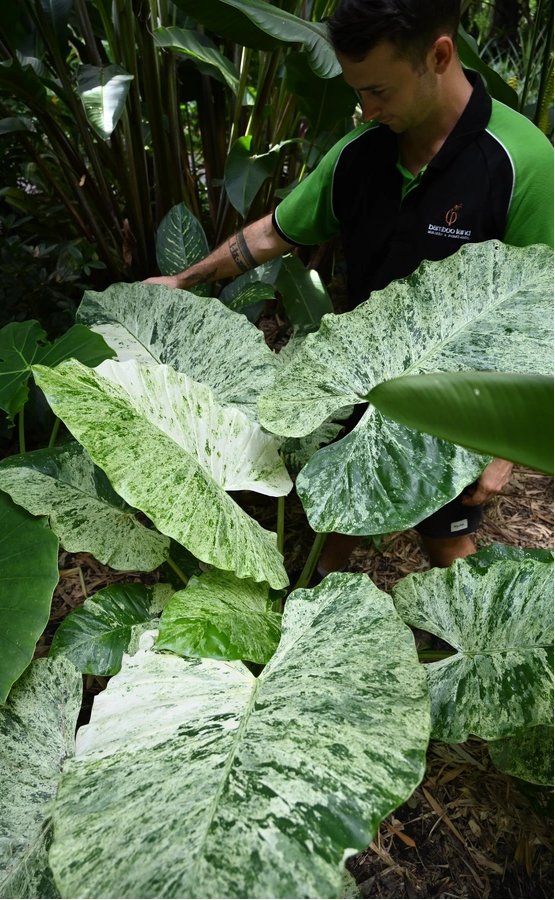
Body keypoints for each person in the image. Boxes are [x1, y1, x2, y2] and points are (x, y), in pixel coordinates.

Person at [143, 0, 554, 571]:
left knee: (446, 542)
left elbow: (544, 309)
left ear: (439, 56)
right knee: (332, 524)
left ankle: (472, 653)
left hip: (464, 406)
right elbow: (273, 234)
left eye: (379, 90)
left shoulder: (522, 162)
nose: (365, 108)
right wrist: (185, 280)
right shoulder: (360, 155)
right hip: (360, 381)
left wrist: (505, 447)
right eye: (357, 90)